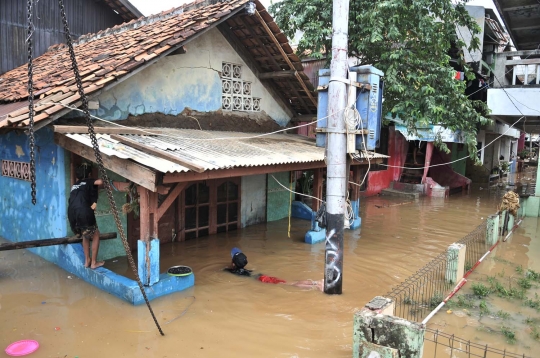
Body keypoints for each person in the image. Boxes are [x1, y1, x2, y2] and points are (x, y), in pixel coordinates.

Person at [225, 248, 323, 291]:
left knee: (290, 285)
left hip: (262, 279)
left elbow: (227, 270)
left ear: (234, 264)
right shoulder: (246, 270)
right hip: (262, 276)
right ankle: (315, 283)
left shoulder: (235, 271)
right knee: (291, 283)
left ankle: (315, 287)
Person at [68, 163, 104, 269]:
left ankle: (86, 261)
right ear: (88, 174)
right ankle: (93, 262)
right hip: (84, 212)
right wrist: (101, 179)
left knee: (85, 234)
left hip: (72, 215)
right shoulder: (88, 181)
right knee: (96, 234)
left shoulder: (74, 186)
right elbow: (100, 182)